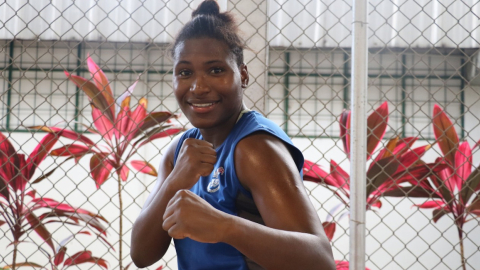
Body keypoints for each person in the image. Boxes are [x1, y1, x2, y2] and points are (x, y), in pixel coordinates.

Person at [130, 1, 335, 269]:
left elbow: (321, 261)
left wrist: (225, 227)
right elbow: (142, 255)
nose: (198, 86)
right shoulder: (178, 152)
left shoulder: (254, 149)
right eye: (185, 72)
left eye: (216, 70)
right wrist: (174, 182)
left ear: (243, 74)